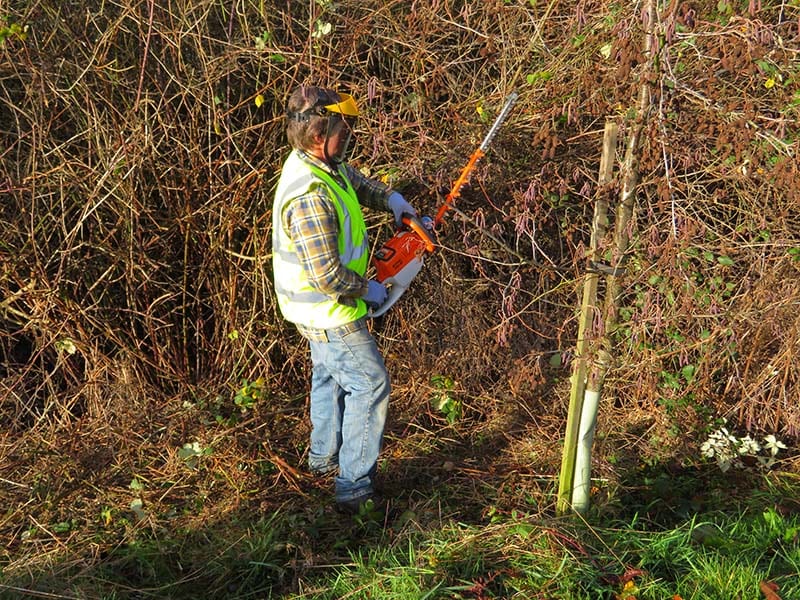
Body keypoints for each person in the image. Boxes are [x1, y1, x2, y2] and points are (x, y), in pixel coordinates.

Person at [271, 85, 418, 514]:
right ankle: (354, 488)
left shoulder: (319, 165)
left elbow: (354, 180)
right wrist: (372, 290)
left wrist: (393, 201)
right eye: (343, 129)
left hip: (314, 307)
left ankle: (321, 460)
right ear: (320, 135)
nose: (349, 135)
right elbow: (328, 275)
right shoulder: (310, 195)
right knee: (369, 383)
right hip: (327, 307)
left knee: (330, 375)